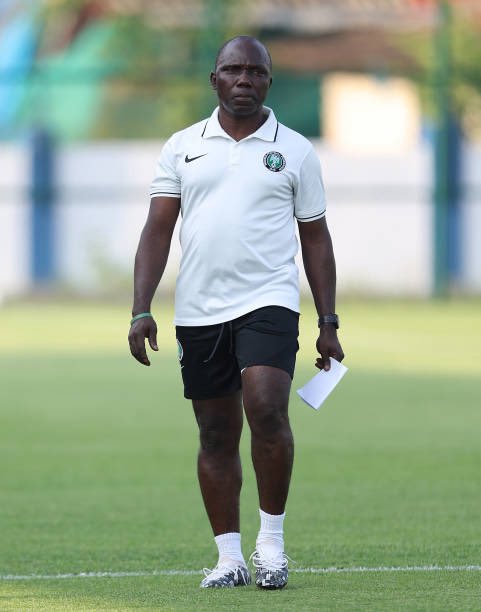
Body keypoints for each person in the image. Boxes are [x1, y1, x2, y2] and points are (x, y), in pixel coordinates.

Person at [128, 35, 344, 590]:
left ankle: (271, 546)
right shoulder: (182, 146)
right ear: (215, 79)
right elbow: (157, 230)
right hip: (199, 310)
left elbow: (316, 238)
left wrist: (328, 322)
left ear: (269, 81)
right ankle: (229, 558)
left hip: (269, 301)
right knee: (215, 432)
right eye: (232, 70)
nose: (244, 79)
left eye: (255, 71)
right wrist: (140, 308)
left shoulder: (295, 150)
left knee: (267, 408)